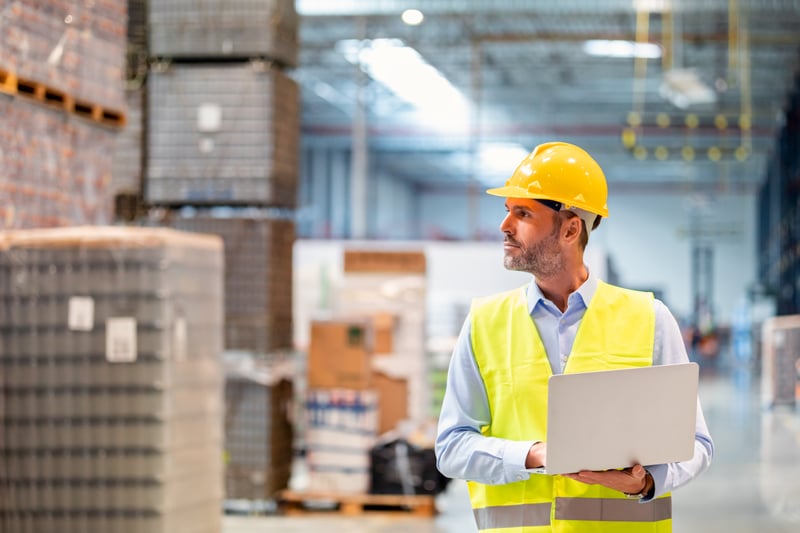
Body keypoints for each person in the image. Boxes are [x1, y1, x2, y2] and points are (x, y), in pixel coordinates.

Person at [435, 141, 714, 532]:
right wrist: (531, 455)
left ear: (570, 228)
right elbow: (451, 447)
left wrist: (647, 481)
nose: (505, 226)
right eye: (507, 211)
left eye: (523, 213)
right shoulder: (485, 322)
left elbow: (696, 444)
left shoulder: (649, 319)